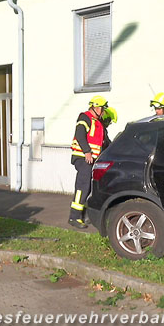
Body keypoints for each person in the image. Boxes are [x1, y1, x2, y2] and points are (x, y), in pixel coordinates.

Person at [69, 96, 109, 229]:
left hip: (90, 159)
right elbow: (80, 134)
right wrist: (87, 152)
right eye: (102, 109)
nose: (103, 112)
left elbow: (105, 143)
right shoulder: (84, 118)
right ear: (96, 107)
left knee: (88, 187)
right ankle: (74, 217)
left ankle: (82, 214)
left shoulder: (97, 122)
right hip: (82, 157)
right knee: (83, 185)